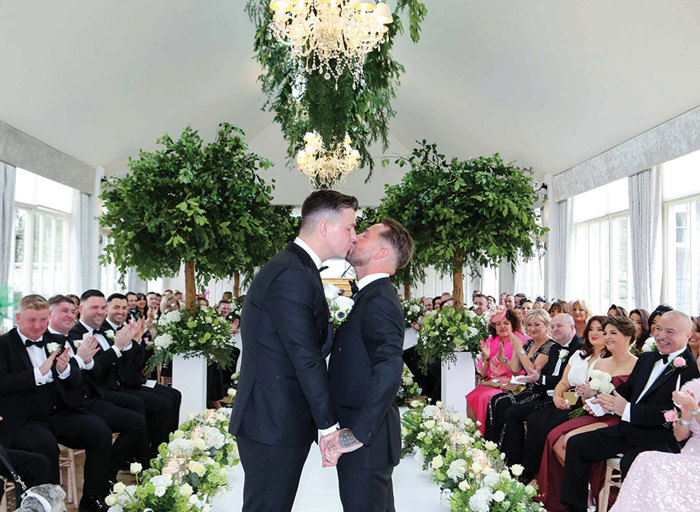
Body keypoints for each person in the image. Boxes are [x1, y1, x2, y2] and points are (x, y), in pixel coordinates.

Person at [228, 190, 358, 512]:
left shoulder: (298, 267)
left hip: (277, 417)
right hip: (273, 420)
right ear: (325, 227)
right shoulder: (292, 274)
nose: (353, 237)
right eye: (350, 227)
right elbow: (305, 357)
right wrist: (329, 427)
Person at [560, 311, 700, 512]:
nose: (661, 335)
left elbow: (671, 414)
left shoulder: (690, 370)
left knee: (631, 463)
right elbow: (627, 390)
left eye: (670, 331)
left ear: (688, 335)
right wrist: (602, 400)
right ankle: (576, 507)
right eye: (658, 328)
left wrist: (628, 410)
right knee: (577, 444)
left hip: (660, 437)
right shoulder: (648, 358)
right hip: (628, 428)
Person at [326, 218, 414, 512]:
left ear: (380, 253)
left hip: (368, 440)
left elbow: (389, 367)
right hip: (364, 436)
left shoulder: (380, 300)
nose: (354, 237)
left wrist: (357, 434)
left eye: (364, 235)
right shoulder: (366, 294)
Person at [0, 294, 114, 512]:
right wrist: (36, 374)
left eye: (43, 320)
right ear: (18, 318)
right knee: (45, 447)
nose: (38, 326)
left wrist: (65, 370)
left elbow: (76, 381)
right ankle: (45, 507)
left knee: (100, 431)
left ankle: (92, 500)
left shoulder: (56, 341)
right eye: (32, 320)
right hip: (25, 420)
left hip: (59, 413)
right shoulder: (4, 345)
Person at [537, 315, 637, 511]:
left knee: (569, 440)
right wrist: (588, 395)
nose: (606, 337)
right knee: (554, 440)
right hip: (596, 413)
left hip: (618, 419)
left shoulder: (638, 364)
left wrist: (607, 400)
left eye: (612, 333)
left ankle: (590, 494)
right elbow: (586, 399)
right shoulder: (601, 363)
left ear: (628, 337)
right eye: (605, 333)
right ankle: (584, 488)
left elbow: (635, 401)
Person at [500, 313, 583, 470]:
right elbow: (550, 377)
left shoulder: (580, 348)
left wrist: (540, 379)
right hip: (549, 395)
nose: (555, 329)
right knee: (515, 413)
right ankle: (515, 463)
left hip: (572, 400)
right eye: (553, 326)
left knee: (535, 420)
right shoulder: (555, 348)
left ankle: (534, 470)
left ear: (572, 328)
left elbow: (568, 381)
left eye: (559, 326)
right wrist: (539, 378)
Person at [609, 377, 700, 511]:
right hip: (689, 452)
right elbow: (679, 437)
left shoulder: (692, 399)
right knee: (645, 459)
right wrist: (685, 418)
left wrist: (694, 407)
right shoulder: (693, 388)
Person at [484, 309, 554, 443]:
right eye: (529, 325)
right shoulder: (529, 343)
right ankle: (490, 444)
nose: (532, 328)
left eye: (537, 325)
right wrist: (504, 358)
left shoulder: (549, 346)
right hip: (526, 389)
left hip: (539, 394)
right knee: (495, 400)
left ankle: (506, 450)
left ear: (546, 325)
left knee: (503, 403)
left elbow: (532, 372)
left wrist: (519, 350)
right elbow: (516, 370)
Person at [466, 307, 528, 434]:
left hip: (514, 383)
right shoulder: (491, 341)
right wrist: (487, 358)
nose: (502, 327)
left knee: (484, 397)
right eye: (498, 324)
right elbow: (483, 374)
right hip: (493, 382)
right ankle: (474, 435)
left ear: (513, 324)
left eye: (506, 323)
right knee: (472, 396)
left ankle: (486, 436)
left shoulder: (522, 340)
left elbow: (522, 370)